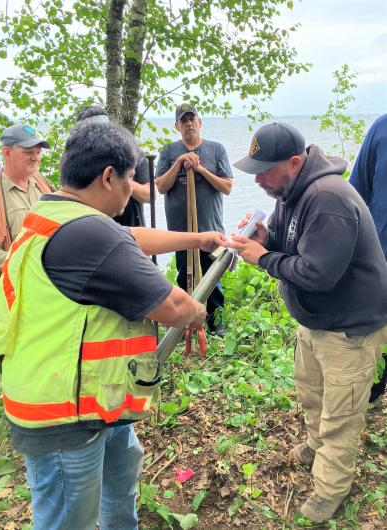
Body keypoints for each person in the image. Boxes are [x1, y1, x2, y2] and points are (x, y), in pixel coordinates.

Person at [0, 121, 225, 530]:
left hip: (95, 398)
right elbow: (175, 306)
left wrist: (197, 239)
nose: (130, 187)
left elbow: (129, 235)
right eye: (131, 178)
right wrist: (198, 313)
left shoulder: (52, 213)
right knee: (67, 520)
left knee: (121, 489)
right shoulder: (91, 233)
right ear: (108, 176)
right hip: (65, 417)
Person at [228, 122, 387, 523]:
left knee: (341, 415)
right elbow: (292, 244)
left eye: (264, 169)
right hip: (317, 320)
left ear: (295, 162)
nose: (258, 178)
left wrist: (261, 258)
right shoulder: (290, 191)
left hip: (350, 328)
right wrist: (267, 238)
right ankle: (316, 445)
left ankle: (329, 493)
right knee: (312, 393)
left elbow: (318, 274)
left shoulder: (327, 198)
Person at [155, 103, 233, 336]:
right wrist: (179, 163)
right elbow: (161, 186)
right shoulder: (169, 151)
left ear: (199, 123)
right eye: (183, 120)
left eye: (192, 119)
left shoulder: (216, 149)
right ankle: (186, 322)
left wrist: (200, 170)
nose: (188, 123)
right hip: (181, 231)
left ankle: (215, 322)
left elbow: (227, 187)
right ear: (177, 126)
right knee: (185, 275)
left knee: (212, 277)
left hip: (210, 227)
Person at [349, 114, 387, 402]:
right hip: (379, 265)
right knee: (375, 343)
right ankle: (372, 393)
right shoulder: (381, 128)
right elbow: (355, 194)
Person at [0, 124, 53, 273]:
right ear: (7, 153)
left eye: (38, 152)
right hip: (11, 285)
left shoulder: (43, 183)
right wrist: (23, 265)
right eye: (29, 152)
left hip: (47, 278)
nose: (36, 158)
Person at [77, 104, 151, 227]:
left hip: (133, 231)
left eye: (102, 130)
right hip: (94, 228)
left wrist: (120, 179)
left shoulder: (134, 154)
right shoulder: (78, 161)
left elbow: (150, 195)